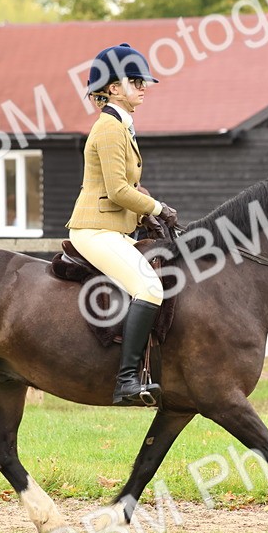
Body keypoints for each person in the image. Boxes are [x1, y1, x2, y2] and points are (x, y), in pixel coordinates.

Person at [66, 43, 178, 408]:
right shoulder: (110, 129)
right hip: (95, 230)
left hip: (113, 229)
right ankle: (126, 380)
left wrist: (145, 214)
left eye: (144, 81)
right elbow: (117, 190)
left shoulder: (121, 126)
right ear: (113, 88)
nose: (144, 86)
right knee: (149, 288)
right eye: (136, 81)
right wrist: (157, 207)